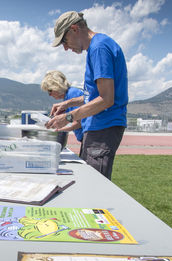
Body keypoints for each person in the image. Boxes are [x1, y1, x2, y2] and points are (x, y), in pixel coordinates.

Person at [46, 11, 128, 180]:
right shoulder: (96, 48)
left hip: (103, 127)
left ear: (74, 29)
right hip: (96, 128)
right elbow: (93, 95)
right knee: (87, 184)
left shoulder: (99, 48)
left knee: (94, 188)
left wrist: (68, 117)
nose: (66, 48)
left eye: (64, 41)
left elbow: (106, 99)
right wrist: (67, 103)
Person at [40, 70, 84, 150]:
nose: (49, 95)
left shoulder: (72, 94)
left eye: (50, 90)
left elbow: (80, 122)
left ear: (57, 85)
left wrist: (57, 129)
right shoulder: (68, 96)